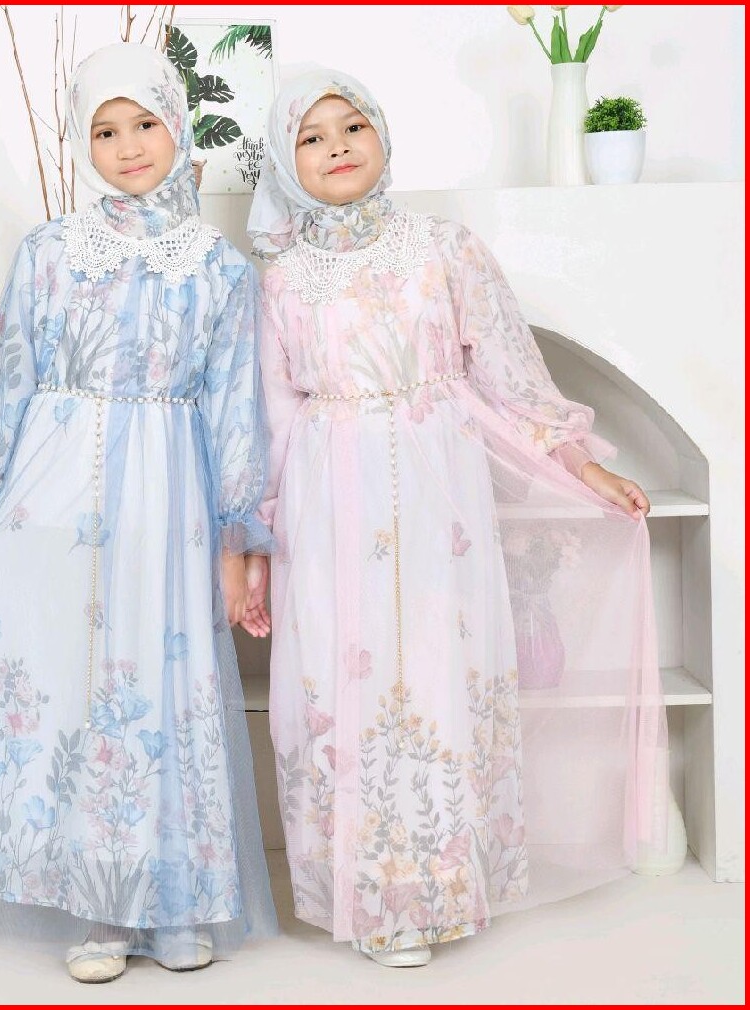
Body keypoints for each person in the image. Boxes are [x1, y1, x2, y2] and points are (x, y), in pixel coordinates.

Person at [245, 69, 667, 967]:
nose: (336, 146)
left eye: (352, 125)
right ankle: (377, 895)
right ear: (286, 163)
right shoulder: (281, 281)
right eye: (311, 137)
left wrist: (581, 463)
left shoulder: (445, 248)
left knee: (439, 670)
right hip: (329, 502)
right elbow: (271, 421)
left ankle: (444, 882)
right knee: (345, 683)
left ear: (382, 135)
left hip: (442, 500)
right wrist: (255, 540)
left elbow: (510, 374)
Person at [0, 43, 277, 984]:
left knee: (159, 687)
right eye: (104, 130)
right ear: (81, 143)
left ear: (178, 127)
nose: (128, 145)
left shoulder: (221, 270)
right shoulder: (52, 252)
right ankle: (96, 907)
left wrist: (236, 540)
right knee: (74, 679)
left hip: (170, 497)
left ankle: (172, 902)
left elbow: (236, 407)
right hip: (56, 482)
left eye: (145, 122)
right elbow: (9, 370)